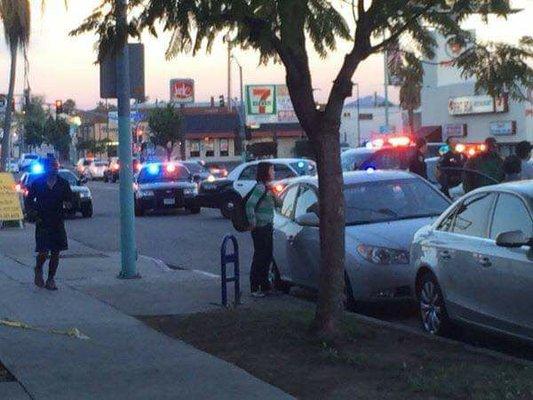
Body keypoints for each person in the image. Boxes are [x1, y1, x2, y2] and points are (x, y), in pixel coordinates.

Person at [25, 157, 73, 290]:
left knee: (56, 252)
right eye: (52, 166)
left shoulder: (63, 183)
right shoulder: (37, 183)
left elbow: (70, 199)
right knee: (43, 252)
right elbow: (28, 200)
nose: (55, 168)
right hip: (42, 220)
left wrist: (68, 205)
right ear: (46, 168)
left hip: (57, 221)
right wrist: (32, 212)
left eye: (56, 166)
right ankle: (38, 267)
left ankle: (51, 279)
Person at [245, 162, 276, 298]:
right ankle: (255, 286)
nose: (274, 173)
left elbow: (278, 204)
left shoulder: (268, 188)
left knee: (267, 256)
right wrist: (253, 222)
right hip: (260, 228)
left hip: (268, 226)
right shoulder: (260, 188)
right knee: (260, 257)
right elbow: (249, 205)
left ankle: (265, 285)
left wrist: (275, 193)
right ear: (266, 172)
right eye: (271, 170)